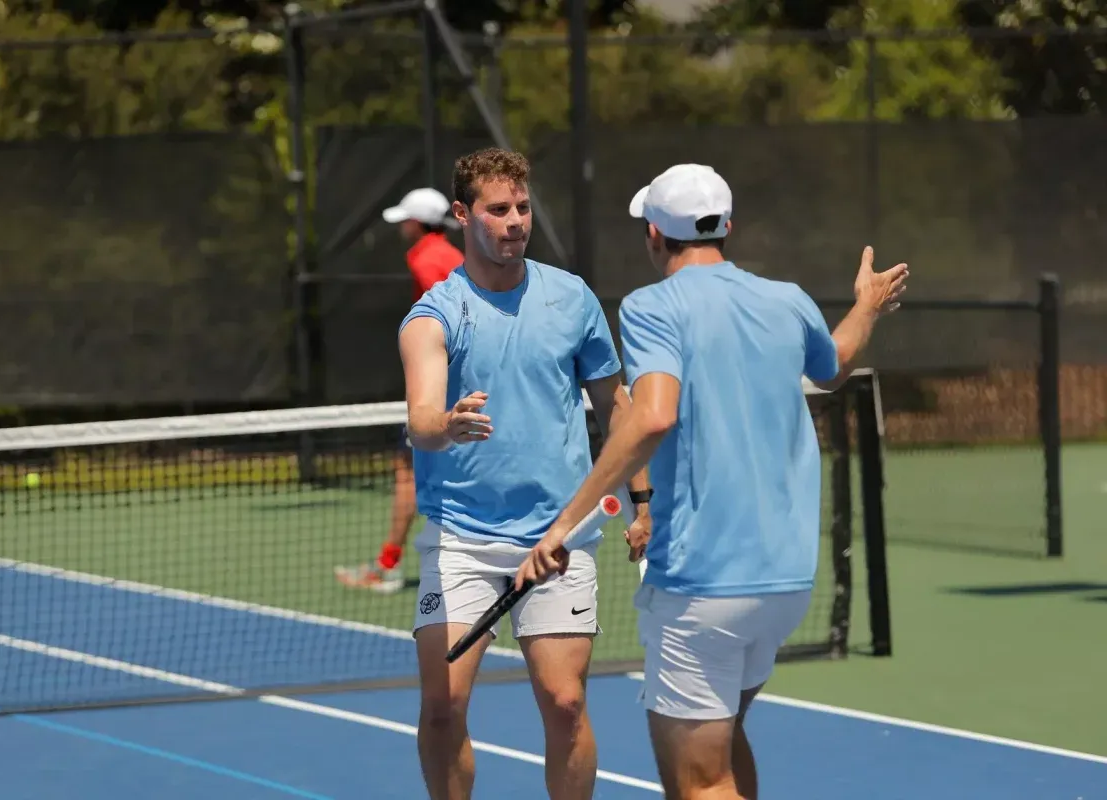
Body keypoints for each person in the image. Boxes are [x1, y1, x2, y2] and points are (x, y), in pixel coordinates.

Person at [515, 163, 908, 799]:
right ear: (727, 227)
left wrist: (565, 524)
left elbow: (653, 415)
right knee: (724, 746)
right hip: (784, 584)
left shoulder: (650, 308)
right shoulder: (786, 299)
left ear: (653, 235)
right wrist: (867, 305)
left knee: (696, 783)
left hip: (703, 587)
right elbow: (833, 365)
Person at [398, 147, 653, 800]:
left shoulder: (572, 300)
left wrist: (642, 499)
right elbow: (422, 417)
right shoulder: (434, 317)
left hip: (558, 538)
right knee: (442, 707)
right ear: (462, 215)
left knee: (565, 704)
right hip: (461, 540)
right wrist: (446, 425)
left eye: (522, 207)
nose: (515, 221)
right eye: (497, 209)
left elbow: (614, 408)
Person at [334, 187, 464, 594]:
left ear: (418, 223)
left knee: (406, 472)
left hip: (440, 383)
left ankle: (387, 566)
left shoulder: (425, 258)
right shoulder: (457, 257)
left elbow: (445, 314)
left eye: (406, 219)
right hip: (457, 381)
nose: (401, 227)